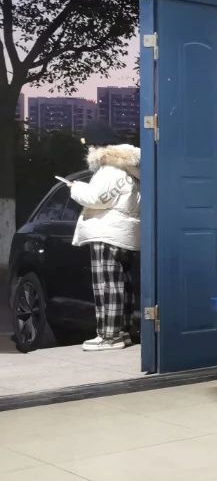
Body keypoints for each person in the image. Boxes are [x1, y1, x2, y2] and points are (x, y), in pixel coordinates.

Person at [69, 142, 140, 352]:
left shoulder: (110, 169)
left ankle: (110, 336)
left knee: (106, 286)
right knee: (123, 285)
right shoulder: (134, 171)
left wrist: (75, 188)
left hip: (107, 231)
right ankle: (124, 331)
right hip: (126, 231)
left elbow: (97, 198)